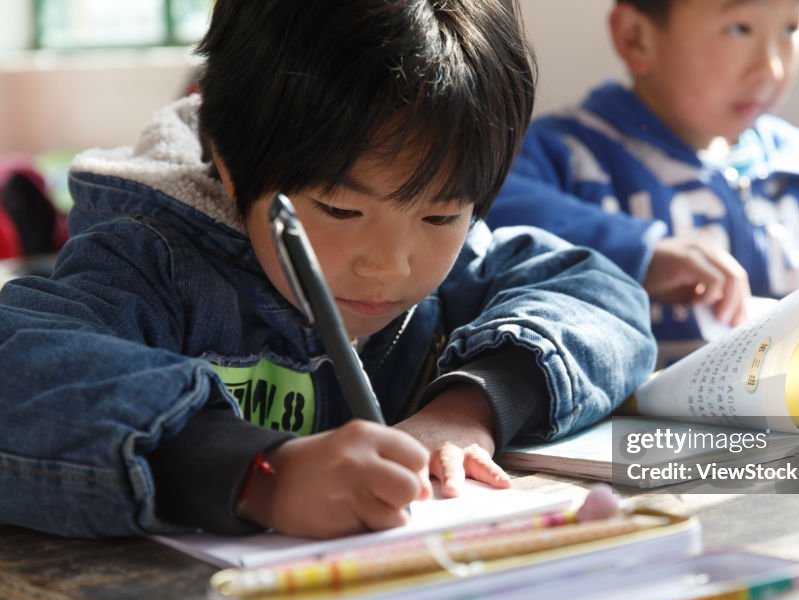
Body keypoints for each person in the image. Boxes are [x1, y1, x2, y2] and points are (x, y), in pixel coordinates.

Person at [0, 0, 656, 541]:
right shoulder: (151, 262)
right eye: (341, 209)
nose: (390, 264)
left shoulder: (460, 269)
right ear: (231, 165)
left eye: (440, 216)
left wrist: (471, 405)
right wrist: (256, 472)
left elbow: (599, 295)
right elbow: (20, 369)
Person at [488, 0, 799, 363]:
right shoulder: (565, 154)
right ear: (636, 39)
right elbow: (483, 211)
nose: (771, 67)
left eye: (791, 28)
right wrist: (640, 252)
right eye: (740, 28)